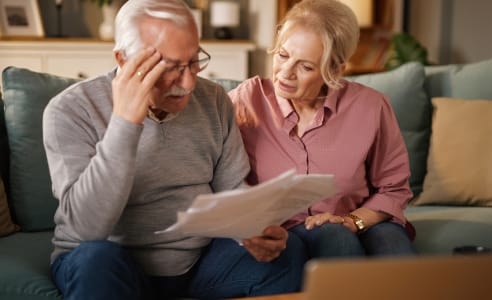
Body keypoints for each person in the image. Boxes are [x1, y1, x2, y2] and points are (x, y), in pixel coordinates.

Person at [42, 1, 306, 299]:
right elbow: (87, 229)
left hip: (199, 262)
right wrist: (125, 123)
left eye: (194, 62)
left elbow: (231, 190)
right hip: (110, 259)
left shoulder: (215, 100)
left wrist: (251, 231)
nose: (189, 82)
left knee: (288, 252)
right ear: (123, 59)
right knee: (96, 261)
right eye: (170, 68)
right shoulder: (71, 110)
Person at [229, 0, 417, 259]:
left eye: (305, 66)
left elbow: (393, 188)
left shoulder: (371, 106)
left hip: (359, 220)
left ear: (335, 70)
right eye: (283, 55)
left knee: (394, 251)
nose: (285, 72)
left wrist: (352, 221)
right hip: (286, 231)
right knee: (335, 238)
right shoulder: (246, 100)